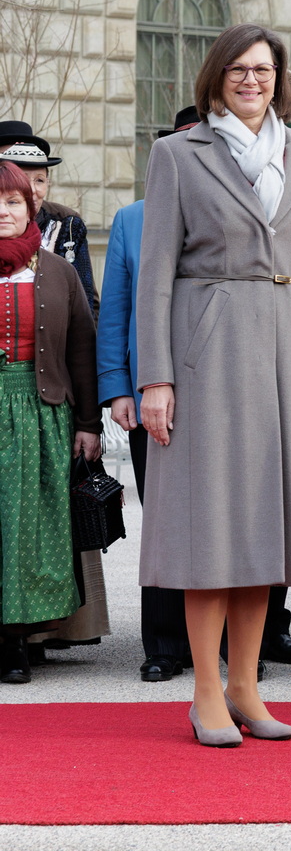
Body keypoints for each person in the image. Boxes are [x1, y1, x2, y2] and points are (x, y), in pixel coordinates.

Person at [138, 23, 291, 747]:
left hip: (290, 347)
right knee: (211, 529)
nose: (252, 80)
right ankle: (205, 692)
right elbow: (155, 276)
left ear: (279, 78)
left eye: (263, 69)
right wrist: (155, 378)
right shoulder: (178, 154)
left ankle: (246, 687)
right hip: (209, 349)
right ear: (217, 78)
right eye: (238, 69)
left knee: (264, 527)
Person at [97, 106, 200, 683]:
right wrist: (117, 388)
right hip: (149, 392)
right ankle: (164, 643)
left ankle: (231, 642)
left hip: (220, 389)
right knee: (163, 517)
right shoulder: (132, 219)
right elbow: (115, 311)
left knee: (223, 517)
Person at [0, 160, 101, 684]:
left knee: (28, 529)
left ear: (30, 206)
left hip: (41, 414)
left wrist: (89, 423)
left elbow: (82, 349)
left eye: (12, 201)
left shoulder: (57, 272)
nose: (3, 212)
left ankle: (16, 642)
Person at [0, 121, 98, 315]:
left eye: (40, 180)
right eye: (21, 178)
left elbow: (85, 303)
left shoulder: (67, 223)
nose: (32, 190)